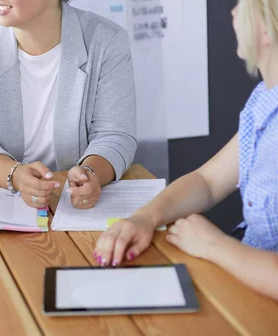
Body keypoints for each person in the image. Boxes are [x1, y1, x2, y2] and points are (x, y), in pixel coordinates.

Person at [94, 0, 278, 299]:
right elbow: (207, 182)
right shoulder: (264, 100)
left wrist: (213, 245)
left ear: (267, 28)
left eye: (242, 5)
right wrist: (145, 218)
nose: (233, 13)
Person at [0, 0, 137, 210]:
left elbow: (114, 135)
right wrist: (16, 175)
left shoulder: (106, 41)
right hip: (0, 198)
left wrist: (89, 174)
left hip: (74, 202)